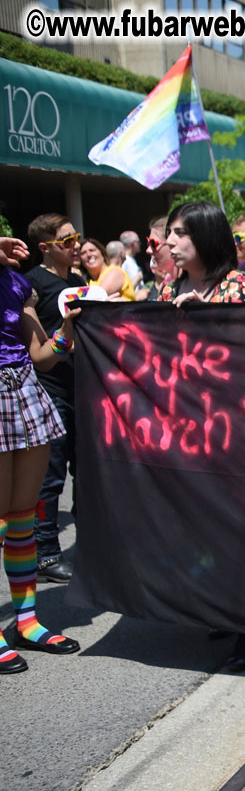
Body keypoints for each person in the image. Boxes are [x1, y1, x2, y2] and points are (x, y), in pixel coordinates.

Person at [156, 202, 245, 671]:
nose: (170, 242)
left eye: (181, 234)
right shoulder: (167, 286)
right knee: (197, 525)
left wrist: (212, 312)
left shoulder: (236, 285)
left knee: (235, 527)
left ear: (205, 237)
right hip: (182, 426)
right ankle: (216, 606)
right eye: (170, 233)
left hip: (233, 428)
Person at [0, 235, 83, 673]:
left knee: (21, 517)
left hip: (25, 392)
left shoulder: (18, 285)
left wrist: (68, 326)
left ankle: (27, 620)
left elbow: (41, 356)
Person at [23, 213, 87, 583]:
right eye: (67, 240)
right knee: (51, 479)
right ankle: (46, 555)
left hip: (83, 390)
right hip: (51, 392)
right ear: (45, 247)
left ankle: (90, 545)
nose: (75, 244)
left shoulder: (78, 281)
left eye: (76, 237)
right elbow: (40, 356)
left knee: (87, 473)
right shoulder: (31, 285)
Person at [157, 202, 245, 305]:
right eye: (168, 232)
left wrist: (207, 314)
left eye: (180, 232)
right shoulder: (169, 291)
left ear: (206, 238)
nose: (169, 241)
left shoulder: (239, 286)